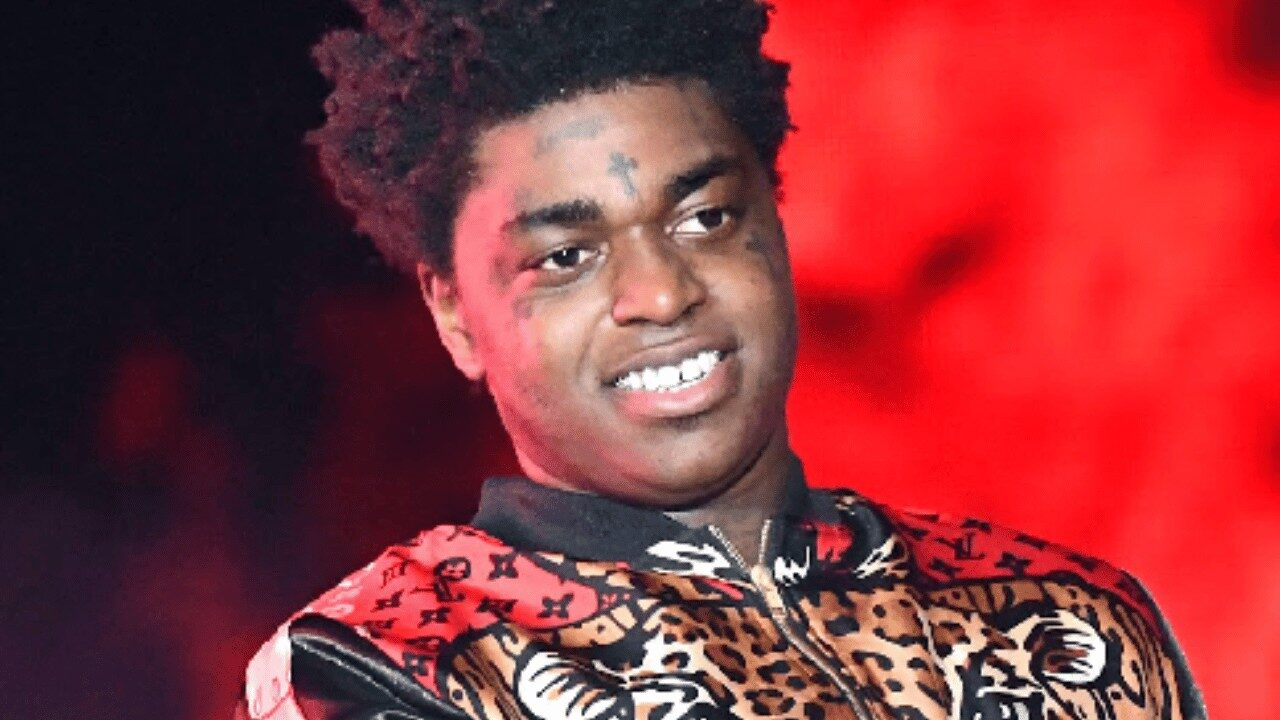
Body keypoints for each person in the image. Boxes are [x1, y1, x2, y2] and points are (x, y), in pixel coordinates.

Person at [236, 1, 1206, 718]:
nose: (661, 294)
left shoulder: (1071, 623)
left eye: (704, 218)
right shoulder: (386, 665)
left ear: (776, 223)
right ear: (452, 314)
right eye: (567, 257)